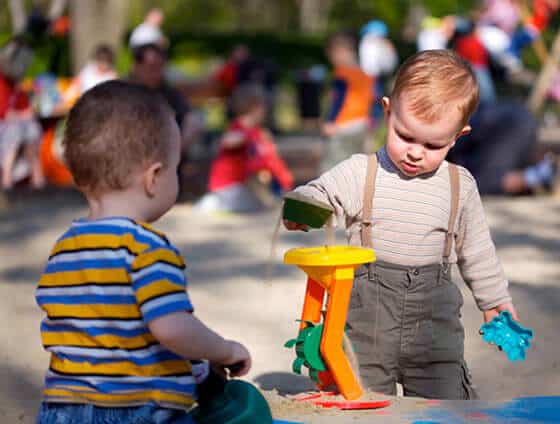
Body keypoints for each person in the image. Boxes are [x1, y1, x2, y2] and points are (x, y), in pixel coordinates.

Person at [284, 50, 517, 399]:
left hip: (435, 328)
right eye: (405, 136)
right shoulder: (361, 171)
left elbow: (477, 250)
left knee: (444, 404)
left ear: (458, 135)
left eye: (433, 144)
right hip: (366, 321)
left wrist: (494, 301)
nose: (415, 152)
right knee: (361, 398)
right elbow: (321, 193)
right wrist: (304, 209)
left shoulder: (460, 184)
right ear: (387, 111)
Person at [35, 81, 251, 423]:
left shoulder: (64, 249)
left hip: (62, 410)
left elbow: (123, 334)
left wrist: (199, 372)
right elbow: (171, 328)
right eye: (175, 168)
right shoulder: (146, 248)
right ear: (154, 177)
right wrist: (225, 349)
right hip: (135, 410)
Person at [195, 84, 293, 213]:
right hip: (227, 186)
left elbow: (268, 160)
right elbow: (227, 141)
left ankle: (221, 201)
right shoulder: (238, 129)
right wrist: (245, 138)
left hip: (241, 184)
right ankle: (213, 202)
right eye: (263, 107)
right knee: (252, 206)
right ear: (255, 107)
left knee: (259, 204)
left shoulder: (256, 132)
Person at [322, 31, 374, 171]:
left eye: (332, 55)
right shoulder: (365, 74)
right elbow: (371, 99)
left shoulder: (342, 74)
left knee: (333, 164)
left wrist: (330, 121)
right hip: (361, 123)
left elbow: (337, 100)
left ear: (340, 51)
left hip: (342, 124)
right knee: (355, 164)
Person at [0, 41, 44, 189]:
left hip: (14, 123)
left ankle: (37, 177)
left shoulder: (15, 84)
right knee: (14, 131)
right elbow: (5, 114)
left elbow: (26, 109)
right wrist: (23, 115)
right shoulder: (2, 81)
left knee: (33, 129)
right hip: (6, 126)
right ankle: (6, 179)